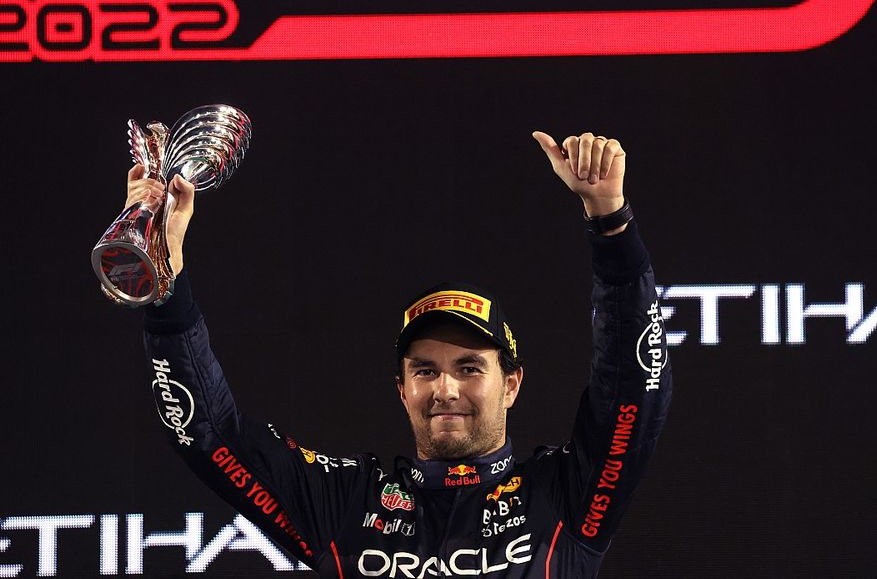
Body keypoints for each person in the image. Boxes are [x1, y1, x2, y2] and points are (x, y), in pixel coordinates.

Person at [131, 131, 672, 578]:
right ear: (402, 389)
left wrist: (610, 222)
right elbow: (209, 433)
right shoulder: (346, 504)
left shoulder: (565, 499)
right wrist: (165, 282)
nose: (445, 389)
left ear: (511, 383)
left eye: (469, 367)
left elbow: (632, 389)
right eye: (425, 370)